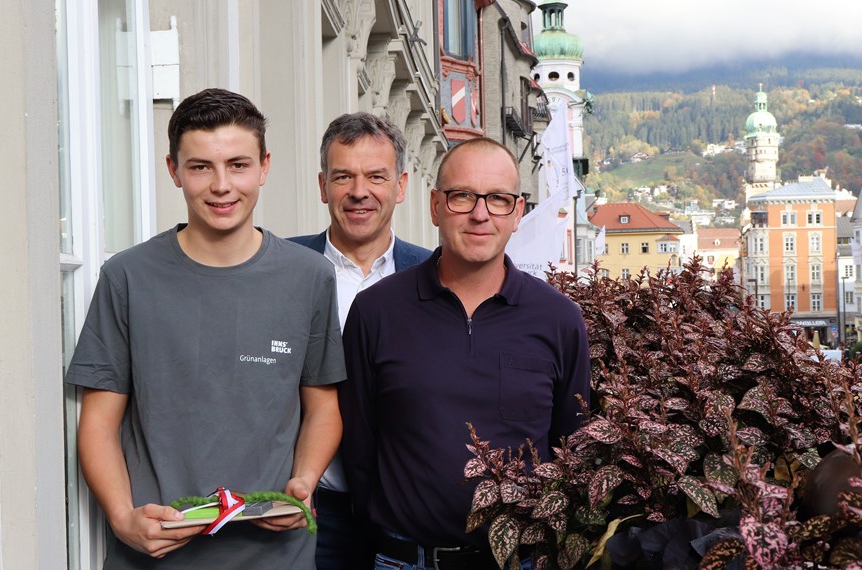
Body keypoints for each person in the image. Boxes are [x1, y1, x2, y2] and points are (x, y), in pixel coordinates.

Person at [66, 88, 345, 569]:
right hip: (158, 551)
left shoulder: (310, 277)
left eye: (238, 164)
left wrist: (303, 479)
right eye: (200, 167)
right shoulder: (128, 277)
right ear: (173, 170)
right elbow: (97, 422)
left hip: (276, 554)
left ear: (264, 166)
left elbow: (323, 408)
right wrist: (120, 516)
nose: (221, 185)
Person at [339, 137, 591, 569]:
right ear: (436, 205)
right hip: (404, 561)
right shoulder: (376, 311)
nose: (480, 214)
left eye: (497, 199)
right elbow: (359, 446)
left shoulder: (559, 320)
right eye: (463, 197)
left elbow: (572, 450)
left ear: (518, 212)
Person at [289, 112, 431, 569]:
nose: (358, 192)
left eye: (376, 176)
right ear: (322, 185)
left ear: (402, 185)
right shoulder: (280, 269)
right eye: (343, 176)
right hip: (310, 508)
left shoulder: (437, 277)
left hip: (407, 514)